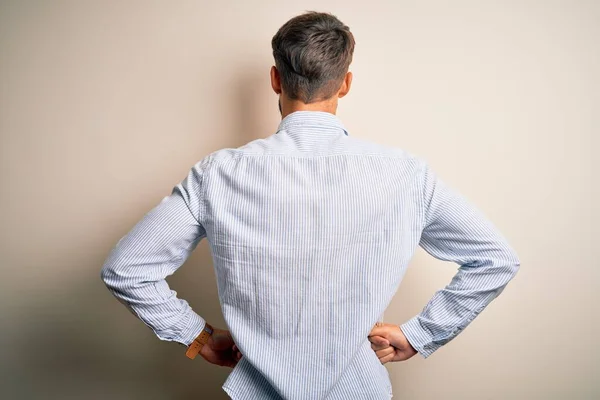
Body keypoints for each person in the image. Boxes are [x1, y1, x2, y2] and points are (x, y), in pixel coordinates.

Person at [100, 10, 520, 400]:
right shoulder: (405, 174)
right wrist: (420, 333)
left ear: (275, 79)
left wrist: (199, 336)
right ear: (345, 83)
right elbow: (495, 258)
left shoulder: (218, 174)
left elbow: (126, 269)